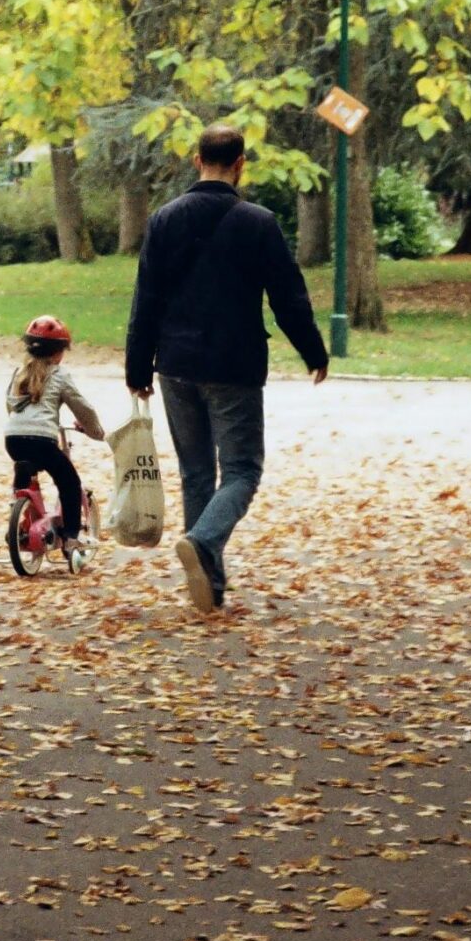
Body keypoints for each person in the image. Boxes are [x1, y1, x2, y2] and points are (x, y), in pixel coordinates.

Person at [124, 124, 328, 614]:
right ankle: (203, 540)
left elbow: (146, 298)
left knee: (197, 473)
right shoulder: (258, 222)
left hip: (175, 363)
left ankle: (208, 588)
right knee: (241, 470)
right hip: (233, 364)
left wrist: (137, 365)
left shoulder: (164, 219)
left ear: (197, 160)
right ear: (240, 163)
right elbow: (288, 296)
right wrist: (313, 351)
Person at [5, 315, 104, 568]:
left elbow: (10, 404)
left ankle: (20, 524)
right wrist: (95, 431)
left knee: (25, 477)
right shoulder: (59, 375)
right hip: (42, 440)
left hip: (13, 438)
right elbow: (82, 407)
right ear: (59, 353)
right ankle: (70, 537)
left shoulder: (19, 373)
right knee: (69, 482)